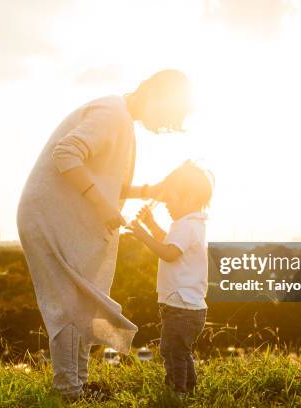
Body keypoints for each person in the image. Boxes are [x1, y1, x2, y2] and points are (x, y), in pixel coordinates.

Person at [16, 69, 192, 400]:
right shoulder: (112, 114)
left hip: (65, 217)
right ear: (155, 94)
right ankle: (69, 391)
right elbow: (66, 154)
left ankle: (78, 384)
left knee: (83, 301)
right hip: (51, 216)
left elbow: (106, 181)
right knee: (68, 304)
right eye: (168, 115)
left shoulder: (122, 120)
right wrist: (102, 208)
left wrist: (149, 189)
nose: (164, 124)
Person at [127, 161, 213, 394]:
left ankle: (178, 391)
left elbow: (169, 253)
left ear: (189, 196)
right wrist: (152, 224)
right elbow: (170, 242)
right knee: (180, 351)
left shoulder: (186, 226)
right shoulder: (191, 224)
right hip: (190, 307)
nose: (165, 204)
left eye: (170, 198)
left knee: (172, 351)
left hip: (180, 306)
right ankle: (188, 387)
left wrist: (142, 235)